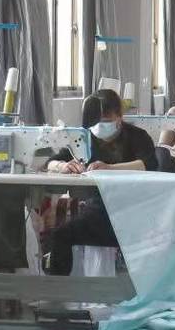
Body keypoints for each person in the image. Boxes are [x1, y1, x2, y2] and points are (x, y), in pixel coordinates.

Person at [38, 91, 161, 275]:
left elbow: (149, 164)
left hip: (133, 212)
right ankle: (60, 288)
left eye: (106, 120)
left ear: (119, 117)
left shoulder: (137, 136)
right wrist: (63, 166)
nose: (100, 125)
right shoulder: (84, 137)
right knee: (59, 236)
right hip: (99, 210)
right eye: (97, 120)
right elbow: (50, 162)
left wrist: (110, 168)